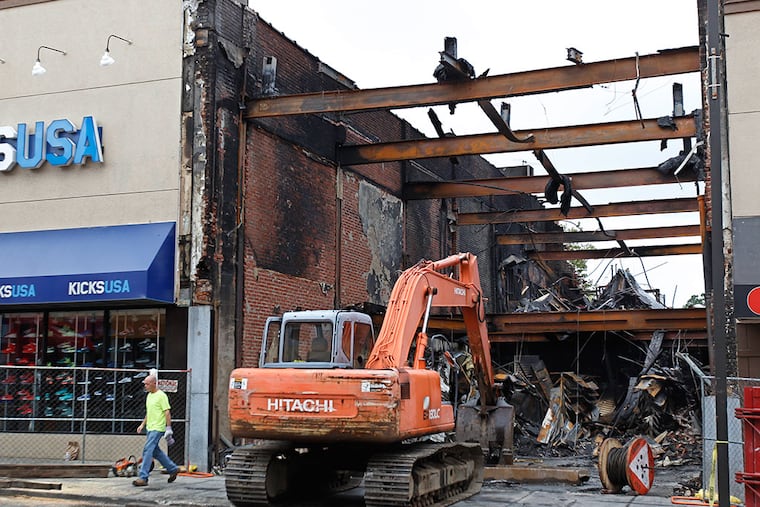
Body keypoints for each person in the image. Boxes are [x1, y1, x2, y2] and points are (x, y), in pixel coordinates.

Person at [132, 374, 180, 487]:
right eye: (145, 384)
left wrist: (168, 427)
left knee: (147, 450)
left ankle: (143, 477)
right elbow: (149, 412)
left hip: (158, 428)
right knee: (155, 451)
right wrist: (142, 424)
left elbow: (167, 412)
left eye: (147, 384)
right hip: (150, 427)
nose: (145, 386)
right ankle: (173, 468)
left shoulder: (161, 396)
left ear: (154, 383)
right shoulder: (149, 396)